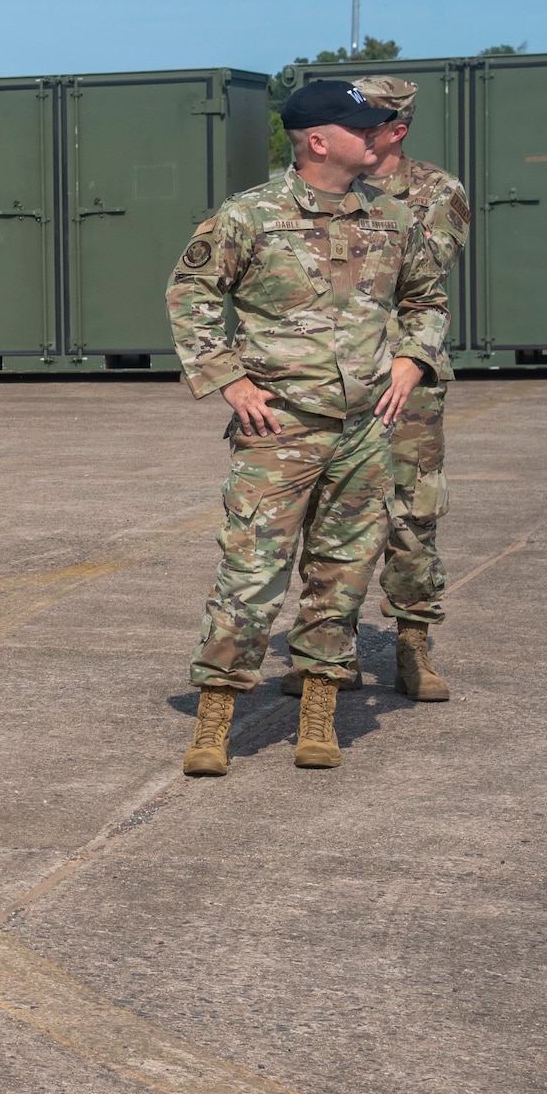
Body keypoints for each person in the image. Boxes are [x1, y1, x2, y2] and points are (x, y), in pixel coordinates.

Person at [169, 79, 447, 777]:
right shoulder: (251, 217)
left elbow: (426, 297)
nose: (379, 133)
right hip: (279, 429)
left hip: (363, 428)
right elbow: (190, 292)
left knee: (342, 574)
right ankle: (215, 716)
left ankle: (318, 707)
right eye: (364, 125)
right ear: (319, 140)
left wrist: (415, 357)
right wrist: (228, 379)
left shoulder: (390, 217)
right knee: (251, 574)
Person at [272, 75, 466, 702]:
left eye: (369, 122)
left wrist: (411, 359)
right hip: (331, 384)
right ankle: (332, 652)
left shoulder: (435, 192)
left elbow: (423, 281)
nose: (357, 129)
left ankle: (413, 645)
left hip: (404, 383)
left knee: (412, 517)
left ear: (394, 130)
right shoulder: (308, 189)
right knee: (332, 521)